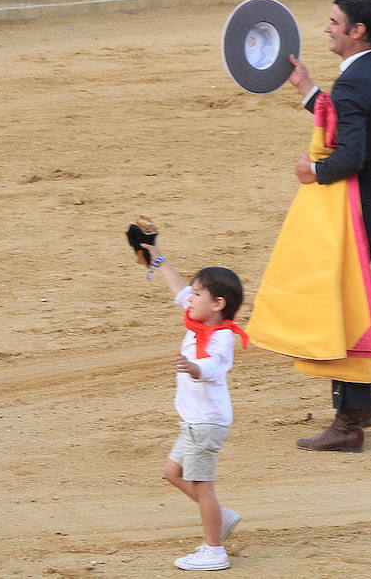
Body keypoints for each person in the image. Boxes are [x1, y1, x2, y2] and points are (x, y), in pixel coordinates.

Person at [282, 0, 371, 452]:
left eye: (335, 23)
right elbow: (354, 125)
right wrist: (308, 91)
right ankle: (368, 399)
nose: (327, 29)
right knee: (346, 298)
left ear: (358, 31)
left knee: (341, 304)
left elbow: (350, 154)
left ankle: (350, 419)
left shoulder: (354, 85)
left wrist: (312, 172)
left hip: (357, 207)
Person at [127, 220, 245, 573]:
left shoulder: (222, 337)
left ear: (218, 304)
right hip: (196, 423)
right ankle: (219, 519)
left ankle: (214, 550)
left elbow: (213, 367)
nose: (188, 299)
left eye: (197, 295)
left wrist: (193, 368)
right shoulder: (202, 322)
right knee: (173, 473)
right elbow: (177, 289)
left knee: (202, 487)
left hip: (205, 425)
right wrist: (158, 258)